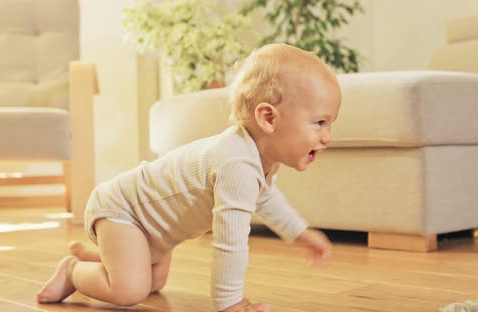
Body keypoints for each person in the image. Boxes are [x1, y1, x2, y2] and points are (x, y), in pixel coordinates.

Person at [37, 43, 342, 312]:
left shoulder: (257, 159)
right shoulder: (235, 162)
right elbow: (230, 241)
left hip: (153, 230)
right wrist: (231, 302)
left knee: (153, 283)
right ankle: (73, 271)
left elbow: (268, 199)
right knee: (129, 291)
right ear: (268, 118)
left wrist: (300, 233)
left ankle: (104, 259)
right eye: (319, 123)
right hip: (123, 211)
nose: (327, 137)